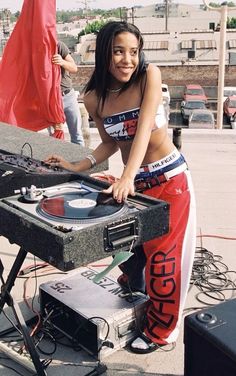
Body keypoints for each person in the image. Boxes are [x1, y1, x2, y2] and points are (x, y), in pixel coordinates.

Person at [45, 21, 196, 353]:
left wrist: (126, 177)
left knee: (164, 261)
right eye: (118, 51)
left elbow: (143, 129)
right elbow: (108, 144)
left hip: (168, 179)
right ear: (104, 53)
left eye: (133, 51)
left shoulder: (148, 76)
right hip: (136, 183)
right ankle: (135, 293)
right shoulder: (93, 97)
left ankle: (160, 331)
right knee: (130, 251)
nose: (127, 60)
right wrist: (75, 166)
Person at [50, 40, 85, 145]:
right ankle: (57, 160)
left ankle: (80, 161)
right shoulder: (35, 50)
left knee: (77, 135)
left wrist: (62, 62)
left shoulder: (58, 45)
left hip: (67, 96)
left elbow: (74, 68)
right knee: (55, 136)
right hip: (50, 100)